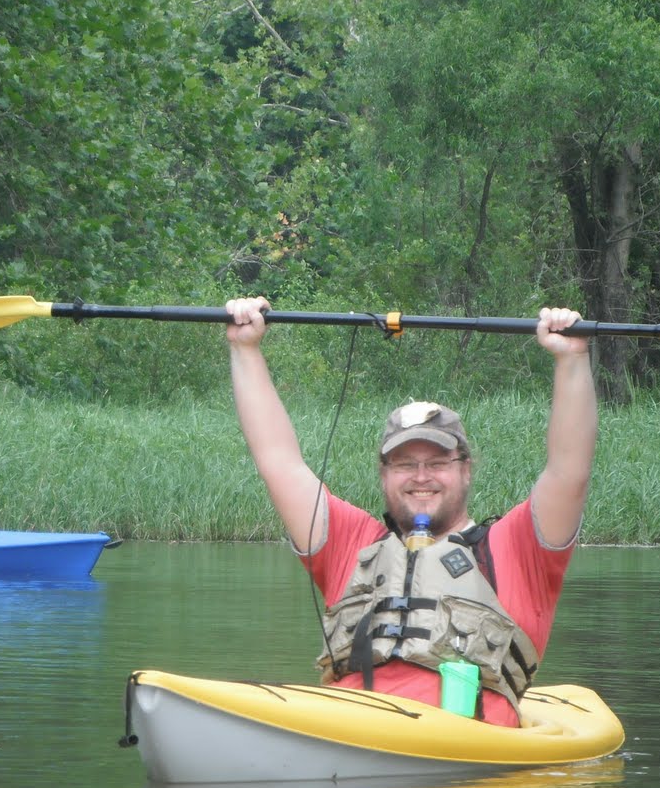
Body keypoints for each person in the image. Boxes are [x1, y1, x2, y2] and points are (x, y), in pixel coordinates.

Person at [225, 297, 597, 727]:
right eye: (404, 464)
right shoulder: (351, 543)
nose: (422, 476)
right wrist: (245, 348)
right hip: (345, 730)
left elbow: (569, 470)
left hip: (461, 753)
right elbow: (278, 460)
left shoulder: (517, 548)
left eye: (437, 462)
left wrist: (571, 359)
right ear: (384, 474)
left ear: (465, 470)